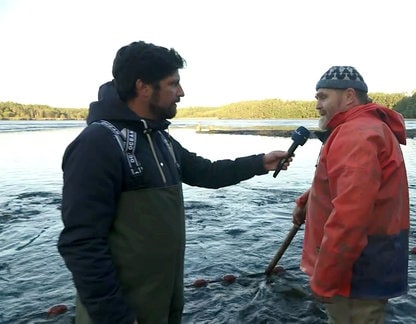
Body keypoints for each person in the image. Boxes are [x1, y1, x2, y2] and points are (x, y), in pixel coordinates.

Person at [57, 41, 291, 324]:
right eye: (173, 84)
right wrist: (114, 315)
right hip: (121, 312)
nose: (181, 93)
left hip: (163, 302)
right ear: (143, 87)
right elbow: (81, 242)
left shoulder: (160, 139)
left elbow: (207, 172)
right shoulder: (98, 143)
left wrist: (260, 163)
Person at [292, 66, 410, 323]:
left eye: (323, 97)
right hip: (371, 260)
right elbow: (357, 187)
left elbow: (350, 216)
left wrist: (325, 278)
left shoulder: (355, 134)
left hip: (357, 271)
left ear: (348, 96)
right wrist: (311, 198)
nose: (317, 106)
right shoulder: (368, 127)